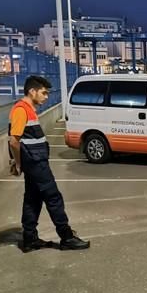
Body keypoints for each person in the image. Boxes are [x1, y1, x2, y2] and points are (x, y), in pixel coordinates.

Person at [8, 75, 90, 253]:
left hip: (35, 161)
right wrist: (19, 163)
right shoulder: (21, 110)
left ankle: (29, 239)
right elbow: (14, 140)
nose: (46, 97)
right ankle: (66, 237)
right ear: (32, 91)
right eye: (44, 93)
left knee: (33, 199)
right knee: (53, 197)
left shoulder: (29, 109)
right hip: (35, 163)